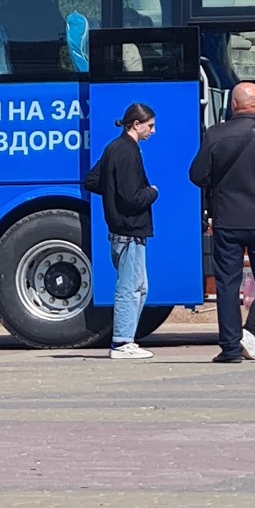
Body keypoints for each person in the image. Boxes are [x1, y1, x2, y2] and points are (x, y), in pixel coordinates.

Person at [189, 82, 255, 363]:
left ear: (233, 105)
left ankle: (231, 348)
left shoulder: (216, 134)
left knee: (227, 283)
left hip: (228, 219)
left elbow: (197, 175)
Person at [84, 102, 159, 361]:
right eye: (149, 125)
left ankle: (127, 339)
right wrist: (153, 193)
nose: (153, 130)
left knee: (138, 286)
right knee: (131, 287)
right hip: (130, 229)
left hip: (119, 229)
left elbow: (92, 180)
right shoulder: (128, 152)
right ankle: (122, 341)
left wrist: (112, 196)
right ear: (135, 125)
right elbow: (132, 197)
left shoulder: (112, 148)